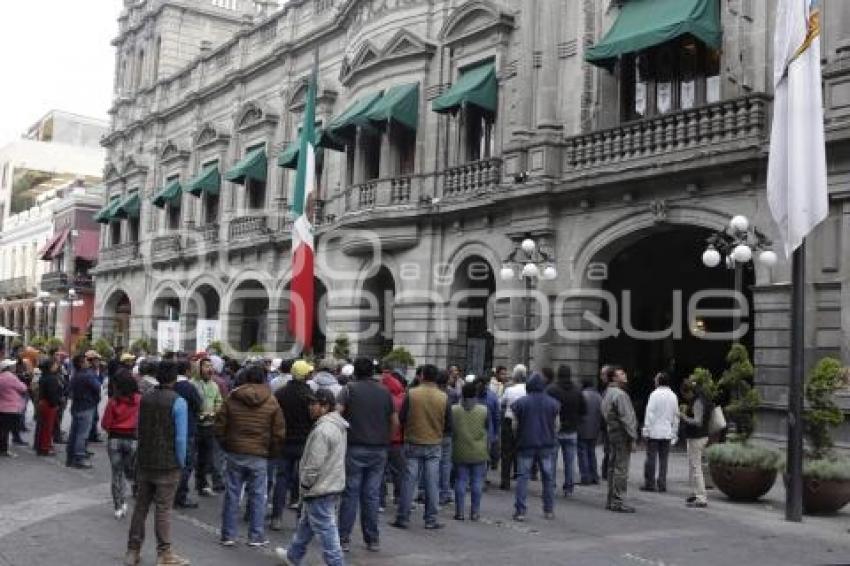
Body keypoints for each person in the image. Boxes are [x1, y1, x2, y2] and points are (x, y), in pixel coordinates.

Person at [124, 361, 190, 566]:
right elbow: (180, 439)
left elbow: (139, 429)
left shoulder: (146, 398)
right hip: (168, 464)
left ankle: (132, 551)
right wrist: (181, 461)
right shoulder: (179, 402)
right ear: (175, 378)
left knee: (141, 507)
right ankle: (164, 554)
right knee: (163, 509)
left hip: (145, 460)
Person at [215, 364, 285, 547]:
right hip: (260, 454)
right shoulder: (271, 400)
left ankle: (228, 534)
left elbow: (220, 424)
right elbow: (278, 432)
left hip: (235, 451)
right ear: (264, 378)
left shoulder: (232, 397)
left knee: (232, 494)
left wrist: (226, 444)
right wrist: (272, 453)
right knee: (258, 496)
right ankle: (256, 535)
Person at [275, 388, 347, 566]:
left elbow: (314, 463)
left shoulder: (323, 430)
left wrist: (306, 485)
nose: (310, 407)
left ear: (325, 406)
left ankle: (336, 563)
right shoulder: (337, 426)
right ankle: (293, 555)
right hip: (330, 483)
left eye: (313, 403)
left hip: (320, 486)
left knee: (326, 530)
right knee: (307, 524)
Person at [336, 357, 396, 553]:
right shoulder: (385, 391)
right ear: (372, 372)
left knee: (350, 494)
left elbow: (337, 414)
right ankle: (372, 539)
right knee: (371, 495)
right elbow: (394, 421)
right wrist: (386, 438)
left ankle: (343, 538)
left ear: (355, 372)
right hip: (379, 448)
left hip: (354, 446)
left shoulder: (349, 390)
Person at [390, 364, 451, 530]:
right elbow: (449, 425)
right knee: (432, 481)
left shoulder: (412, 393)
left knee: (409, 480)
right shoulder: (443, 397)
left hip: (413, 441)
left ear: (422, 375)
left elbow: (401, 418)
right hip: (434, 443)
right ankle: (431, 519)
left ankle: (403, 517)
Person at [270, 359, 313, 531]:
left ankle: (276, 517)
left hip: (284, 441)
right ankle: (301, 518)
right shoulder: (309, 395)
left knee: (281, 478)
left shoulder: (280, 393)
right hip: (303, 442)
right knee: (303, 481)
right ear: (304, 375)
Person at [511, 373, 560, 521]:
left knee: (523, 477)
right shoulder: (553, 403)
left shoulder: (520, 403)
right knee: (548, 478)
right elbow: (557, 426)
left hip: (526, 443)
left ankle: (520, 511)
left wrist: (517, 437)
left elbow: (514, 425)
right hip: (546, 444)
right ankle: (548, 510)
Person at [102, 368, 142, 519]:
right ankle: (130, 496)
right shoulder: (139, 399)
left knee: (116, 474)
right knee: (129, 471)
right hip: (132, 440)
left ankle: (118, 506)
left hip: (115, 440)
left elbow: (105, 424)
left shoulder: (113, 402)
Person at [601, 366, 637, 513]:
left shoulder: (607, 393)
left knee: (612, 467)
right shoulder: (620, 395)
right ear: (614, 378)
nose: (624, 375)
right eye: (621, 374)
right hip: (622, 435)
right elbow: (627, 419)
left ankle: (611, 499)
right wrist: (633, 437)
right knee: (621, 469)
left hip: (612, 433)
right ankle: (618, 500)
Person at [545, 365, 586, 497]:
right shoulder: (577, 390)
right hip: (572, 430)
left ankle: (550, 486)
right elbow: (584, 410)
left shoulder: (551, 390)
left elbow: (546, 409)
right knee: (570, 462)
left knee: (551, 460)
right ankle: (568, 488)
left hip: (555, 429)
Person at [451, 382, 488, 521]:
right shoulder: (484, 410)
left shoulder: (454, 409)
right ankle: (475, 512)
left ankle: (459, 512)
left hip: (459, 449)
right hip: (479, 450)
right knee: (477, 482)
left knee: (460, 480)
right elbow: (488, 428)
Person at [641, 372, 679, 493]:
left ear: (659, 381)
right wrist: (674, 433)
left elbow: (650, 414)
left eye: (656, 379)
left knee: (651, 458)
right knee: (664, 460)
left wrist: (646, 430)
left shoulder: (654, 394)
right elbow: (676, 416)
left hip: (654, 431)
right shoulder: (673, 396)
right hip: (667, 431)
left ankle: (650, 483)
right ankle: (662, 484)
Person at [173, 359, 203, 509]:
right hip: (188, 429)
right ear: (187, 371)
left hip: (171, 428)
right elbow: (199, 405)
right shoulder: (189, 387)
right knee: (186, 463)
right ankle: (181, 495)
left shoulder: (171, 385)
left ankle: (170, 492)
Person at [192, 356, 223, 498]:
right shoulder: (193, 384)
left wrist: (214, 412)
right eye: (206, 366)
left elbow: (219, 402)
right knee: (191, 457)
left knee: (206, 457)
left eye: (211, 366)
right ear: (199, 368)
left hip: (210, 425)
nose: (209, 369)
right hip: (196, 425)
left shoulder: (214, 385)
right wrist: (199, 414)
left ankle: (202, 484)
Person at [66, 352, 103, 469]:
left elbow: (69, 390)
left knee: (74, 433)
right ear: (81, 364)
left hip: (77, 406)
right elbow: (97, 387)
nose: (88, 363)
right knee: (82, 434)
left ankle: (71, 456)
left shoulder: (76, 375)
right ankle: (79, 457)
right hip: (86, 406)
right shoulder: (87, 375)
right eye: (86, 361)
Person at [680, 377, 713, 508]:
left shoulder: (698, 402)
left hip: (697, 437)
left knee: (696, 467)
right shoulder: (701, 397)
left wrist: (684, 417)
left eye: (685, 395)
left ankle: (701, 497)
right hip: (698, 436)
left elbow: (698, 422)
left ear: (689, 392)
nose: (685, 398)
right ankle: (696, 493)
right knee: (693, 466)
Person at [379, 369, 406, 509]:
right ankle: (399, 498)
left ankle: (381, 501)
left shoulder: (382, 398)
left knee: (381, 472)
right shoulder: (403, 398)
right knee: (399, 472)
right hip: (399, 441)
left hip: (382, 440)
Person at [500, 364, 527, 490]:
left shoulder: (509, 390)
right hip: (524, 423)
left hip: (509, 421)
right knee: (521, 451)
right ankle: (519, 476)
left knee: (506, 453)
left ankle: (505, 481)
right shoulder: (528, 390)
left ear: (515, 377)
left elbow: (502, 403)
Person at [577, 375, 603, 485]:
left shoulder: (581, 395)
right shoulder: (599, 396)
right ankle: (594, 476)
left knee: (582, 453)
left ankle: (585, 477)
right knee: (592, 452)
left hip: (582, 428)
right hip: (595, 429)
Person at [36, 357, 62, 456]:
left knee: (43, 426)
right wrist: (55, 404)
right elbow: (52, 394)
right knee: (48, 427)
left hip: (43, 402)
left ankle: (42, 446)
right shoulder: (52, 378)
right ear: (50, 366)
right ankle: (45, 447)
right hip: (49, 404)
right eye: (55, 364)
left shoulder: (44, 376)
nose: (57, 366)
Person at [0, 359, 26, 457]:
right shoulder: (11, 377)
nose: (14, 367)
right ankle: (5, 450)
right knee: (7, 430)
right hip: (11, 408)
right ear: (8, 368)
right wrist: (22, 383)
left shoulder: (1, 377)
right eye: (12, 366)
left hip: (2, 407)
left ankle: (2, 449)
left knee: (2, 429)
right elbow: (23, 388)